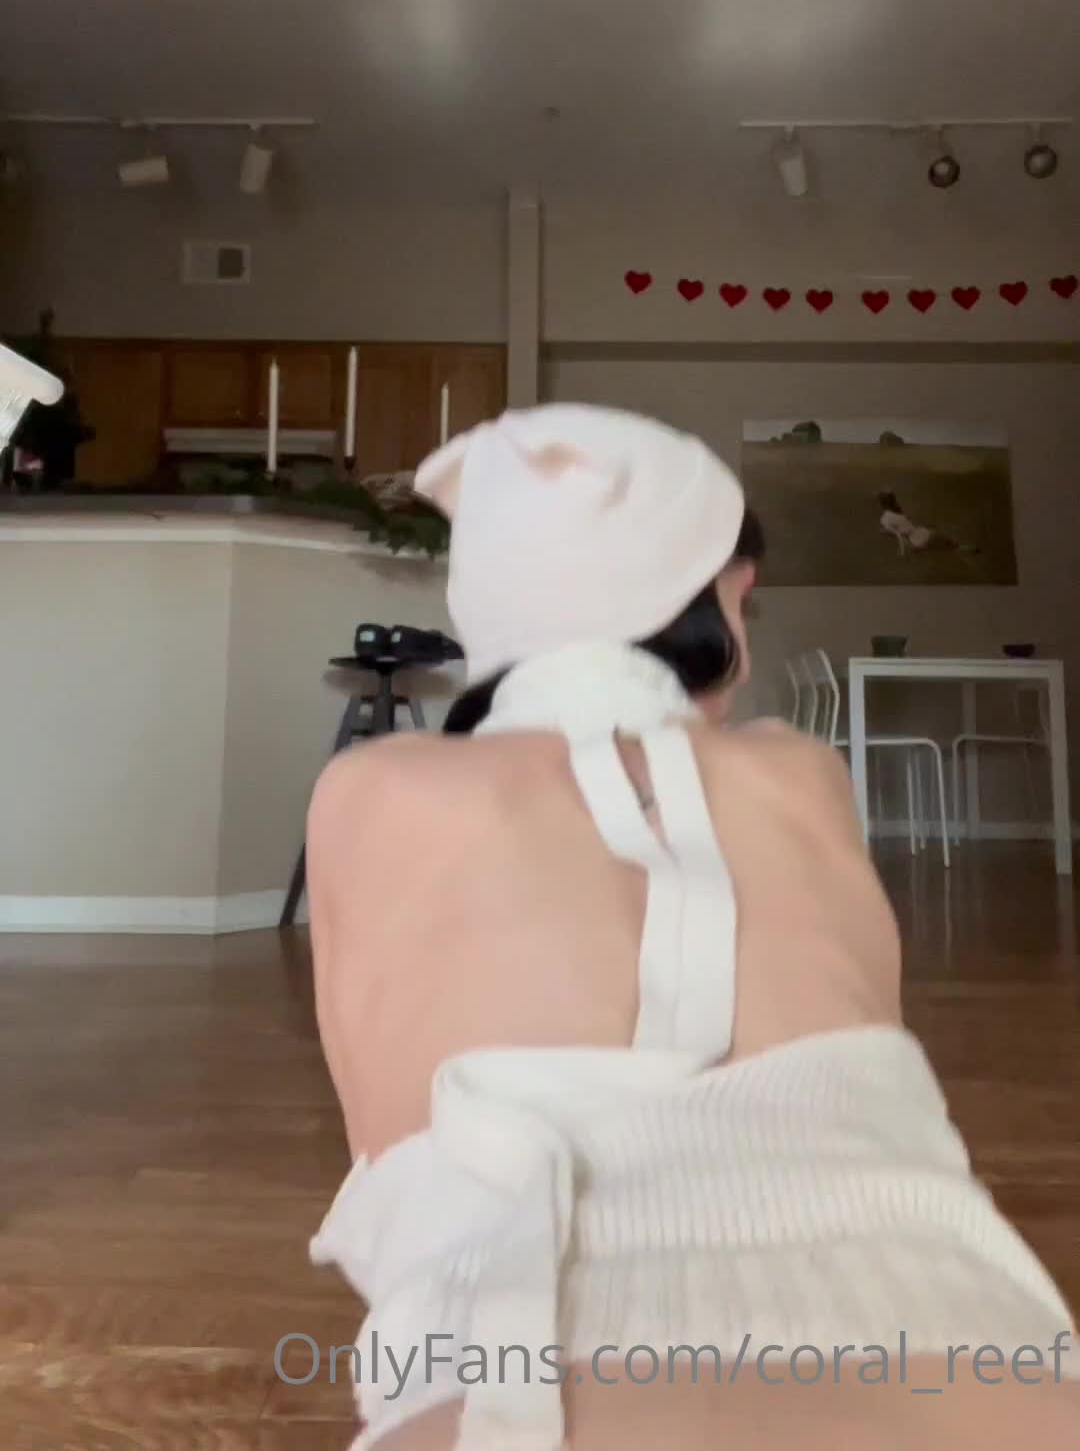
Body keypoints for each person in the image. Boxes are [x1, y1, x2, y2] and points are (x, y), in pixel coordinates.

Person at [306, 404, 1077, 1449]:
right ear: (707, 605)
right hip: (971, 1346)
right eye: (739, 602)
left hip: (516, 1376)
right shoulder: (802, 773)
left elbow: (387, 1156)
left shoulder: (373, 792)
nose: (745, 652)